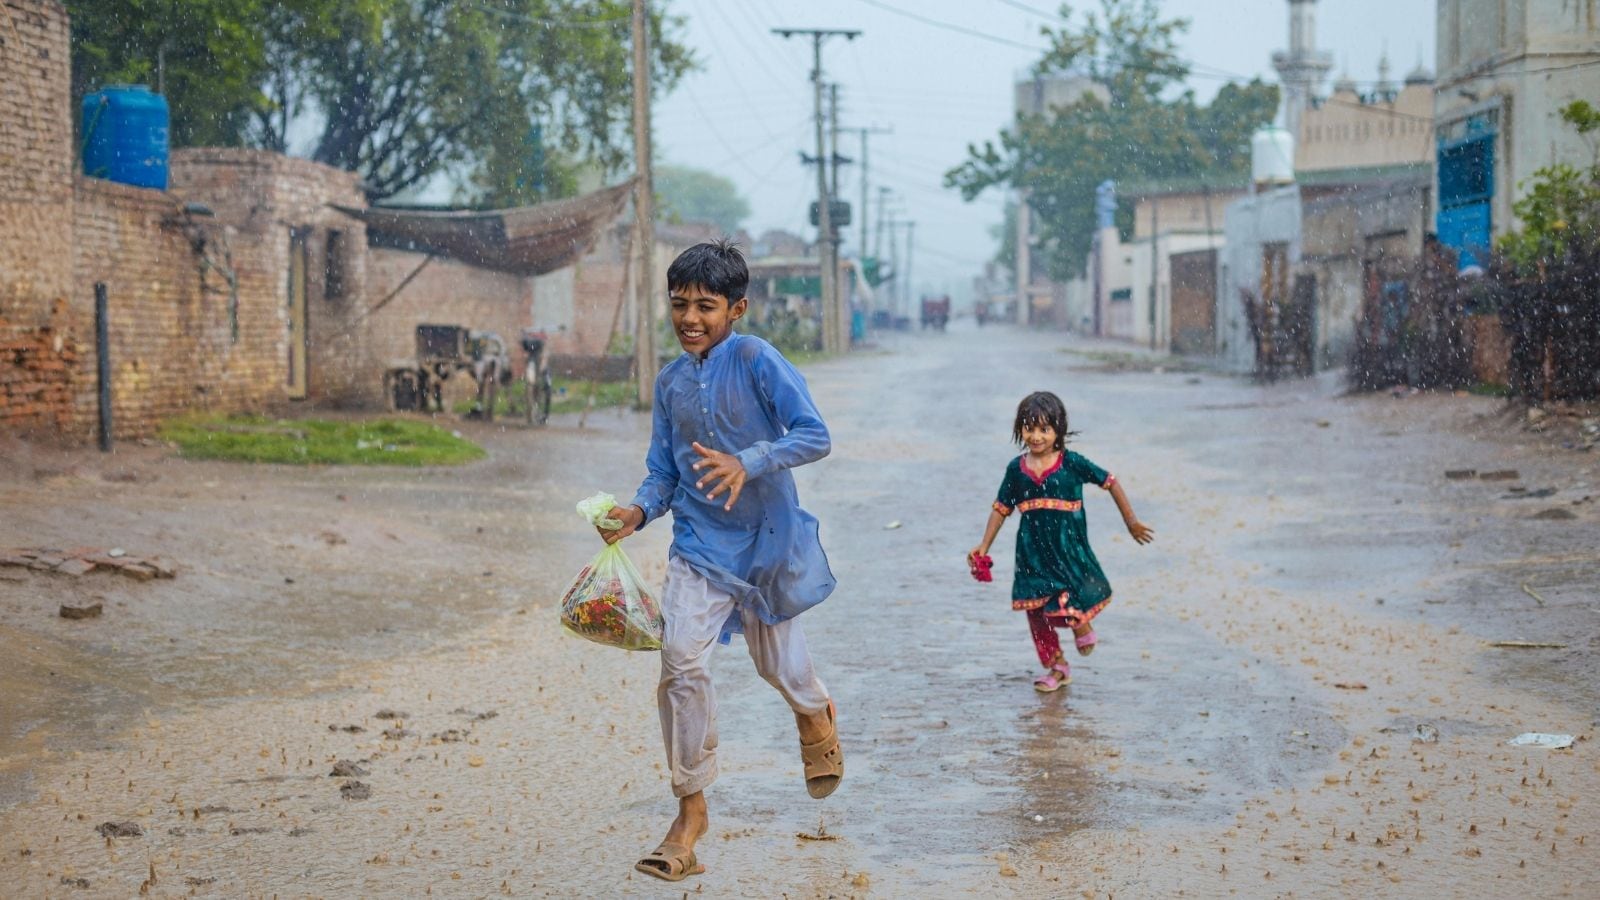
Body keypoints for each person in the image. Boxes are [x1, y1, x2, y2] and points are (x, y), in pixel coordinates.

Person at [596, 240, 842, 883]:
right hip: (700, 548)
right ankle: (690, 815)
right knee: (679, 664)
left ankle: (814, 713)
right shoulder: (670, 382)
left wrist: (750, 460)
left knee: (779, 668)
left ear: (737, 308)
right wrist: (637, 513)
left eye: (706, 306)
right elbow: (663, 473)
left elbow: (813, 434)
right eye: (679, 305)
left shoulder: (758, 359)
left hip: (767, 544)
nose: (690, 319)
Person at [968, 391, 1154, 692]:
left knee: (1062, 600)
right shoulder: (1016, 470)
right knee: (1036, 611)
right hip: (1030, 553)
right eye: (1029, 428)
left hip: (1068, 548)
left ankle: (1080, 622)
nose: (1036, 436)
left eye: (1044, 429)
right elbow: (1001, 508)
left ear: (1058, 430)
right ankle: (1056, 666)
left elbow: (1110, 481)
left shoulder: (1072, 463)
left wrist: (1131, 522)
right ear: (1020, 429)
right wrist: (984, 546)